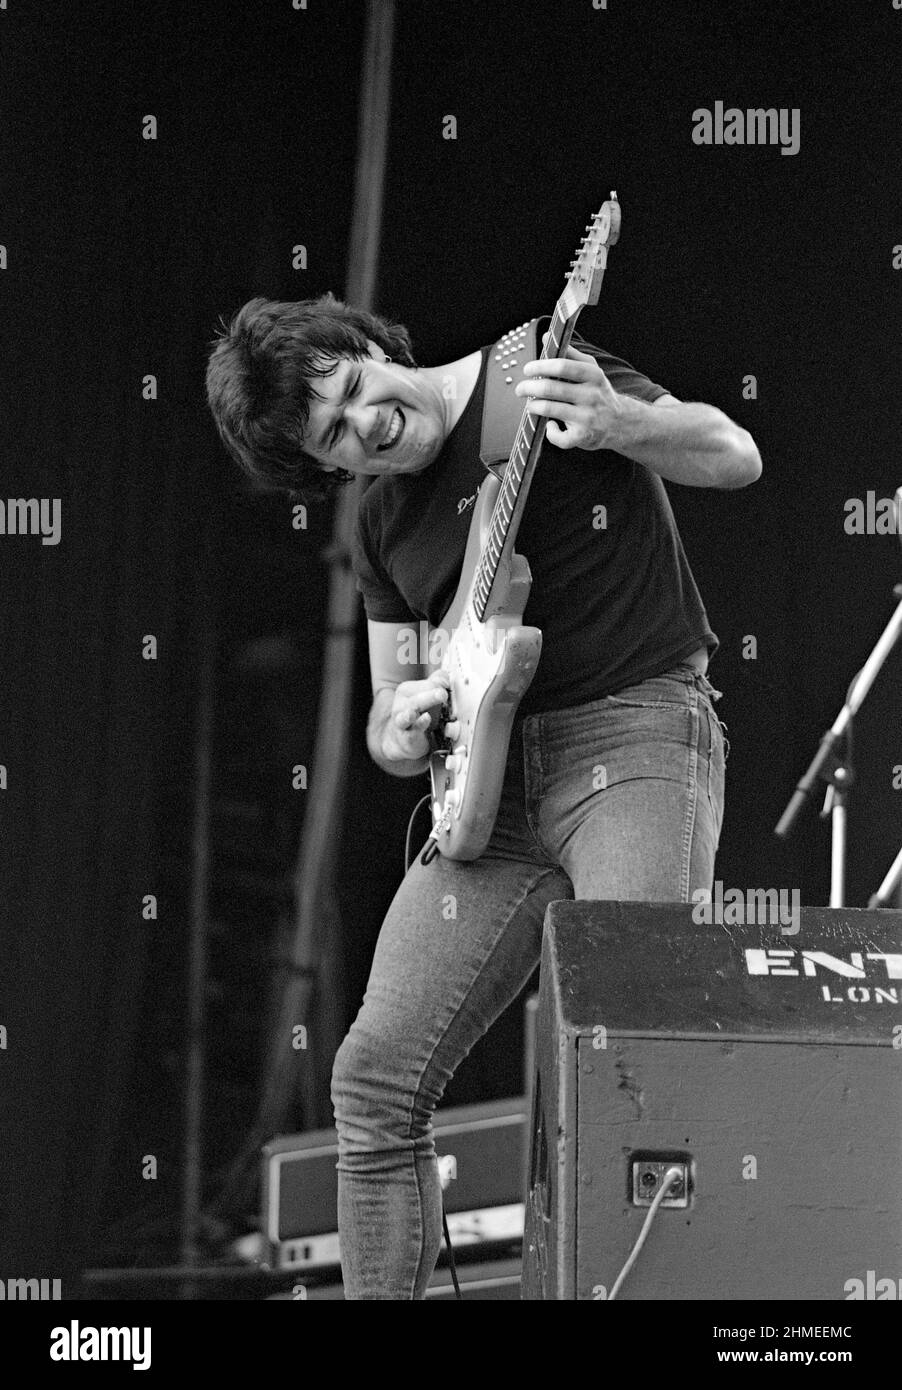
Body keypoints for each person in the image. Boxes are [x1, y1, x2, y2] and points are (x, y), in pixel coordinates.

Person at [206, 292, 762, 1299]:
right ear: (326, 471)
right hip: (487, 800)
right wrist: (402, 719)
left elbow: (731, 452)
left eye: (355, 388)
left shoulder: (534, 371)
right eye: (334, 437)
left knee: (628, 1037)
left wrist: (621, 423)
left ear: (373, 343)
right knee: (371, 1076)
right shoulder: (381, 526)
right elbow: (386, 714)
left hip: (631, 730)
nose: (366, 423)